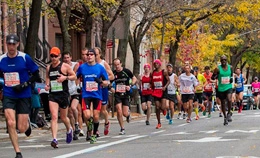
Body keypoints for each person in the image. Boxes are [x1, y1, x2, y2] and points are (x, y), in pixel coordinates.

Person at [0, 34, 41, 158]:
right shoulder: (1, 59)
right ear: (6, 44)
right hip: (9, 94)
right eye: (9, 44)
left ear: (18, 44)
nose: (11, 47)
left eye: (13, 44)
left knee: (22, 128)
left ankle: (27, 124)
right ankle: (18, 152)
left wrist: (24, 84)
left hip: (23, 94)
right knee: (11, 122)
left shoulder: (24, 57)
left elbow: (36, 75)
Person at [45, 47, 76, 148]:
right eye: (52, 56)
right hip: (53, 95)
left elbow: (74, 76)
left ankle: (69, 129)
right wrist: (47, 84)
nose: (53, 58)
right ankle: (54, 139)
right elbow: (47, 78)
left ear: (59, 56)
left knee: (63, 117)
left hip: (63, 94)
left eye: (55, 56)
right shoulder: (48, 68)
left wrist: (65, 77)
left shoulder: (65, 66)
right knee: (54, 117)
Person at [76, 48, 109, 144]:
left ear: (95, 56)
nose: (89, 56)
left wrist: (101, 82)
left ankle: (94, 133)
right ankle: (89, 129)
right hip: (86, 94)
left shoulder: (100, 68)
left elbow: (107, 82)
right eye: (88, 55)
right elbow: (76, 77)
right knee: (86, 115)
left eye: (91, 55)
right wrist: (77, 86)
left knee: (95, 116)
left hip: (97, 95)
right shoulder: (82, 67)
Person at [111, 58, 137, 135]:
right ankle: (122, 128)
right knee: (119, 110)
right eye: (115, 65)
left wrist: (130, 85)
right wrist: (112, 89)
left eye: (118, 65)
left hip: (125, 94)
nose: (117, 67)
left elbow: (134, 78)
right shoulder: (114, 73)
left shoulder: (126, 71)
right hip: (117, 94)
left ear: (121, 64)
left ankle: (128, 115)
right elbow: (109, 83)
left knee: (124, 113)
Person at [94, 47, 114, 136]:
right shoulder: (90, 64)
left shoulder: (103, 63)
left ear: (100, 54)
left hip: (103, 88)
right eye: (92, 54)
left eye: (96, 55)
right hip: (93, 89)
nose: (94, 56)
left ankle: (106, 122)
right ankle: (96, 130)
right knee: (95, 111)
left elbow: (112, 76)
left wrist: (103, 79)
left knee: (103, 110)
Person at [63, 52, 81, 140]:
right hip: (66, 91)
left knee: (74, 108)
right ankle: (74, 131)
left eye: (68, 57)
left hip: (75, 90)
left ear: (71, 58)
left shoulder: (75, 64)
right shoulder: (61, 66)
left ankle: (77, 123)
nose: (66, 59)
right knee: (70, 114)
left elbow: (73, 74)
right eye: (65, 58)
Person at [211, 55, 233, 125]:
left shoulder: (230, 67)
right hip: (221, 88)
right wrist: (215, 75)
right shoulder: (217, 69)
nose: (224, 61)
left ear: (227, 61)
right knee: (223, 103)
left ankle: (229, 113)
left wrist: (232, 78)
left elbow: (231, 75)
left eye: (225, 60)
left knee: (229, 99)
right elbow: (213, 77)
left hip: (228, 86)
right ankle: (225, 117)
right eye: (222, 60)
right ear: (220, 61)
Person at [151, 59, 170, 129]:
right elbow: (151, 82)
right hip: (156, 91)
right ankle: (159, 122)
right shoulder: (152, 73)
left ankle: (164, 110)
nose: (155, 65)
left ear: (159, 64)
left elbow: (169, 80)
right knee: (157, 107)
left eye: (157, 63)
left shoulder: (164, 72)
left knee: (162, 107)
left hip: (163, 91)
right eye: (154, 64)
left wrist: (165, 87)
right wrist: (151, 87)